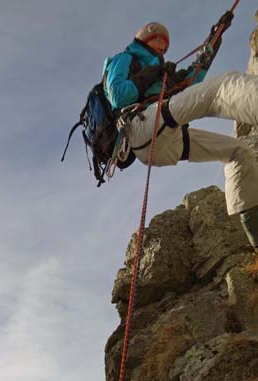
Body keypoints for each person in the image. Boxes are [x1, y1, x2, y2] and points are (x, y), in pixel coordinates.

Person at [103, 15, 258, 252]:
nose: (163, 48)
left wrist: (215, 38)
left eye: (165, 46)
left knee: (239, 151)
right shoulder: (125, 59)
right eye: (159, 42)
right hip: (143, 125)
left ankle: (255, 235)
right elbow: (118, 95)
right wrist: (153, 72)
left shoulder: (163, 73)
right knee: (223, 86)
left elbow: (194, 81)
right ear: (146, 38)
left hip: (165, 136)